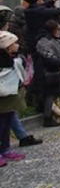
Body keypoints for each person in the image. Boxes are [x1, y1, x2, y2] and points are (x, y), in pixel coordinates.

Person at [36, 20, 60, 127]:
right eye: (58, 29)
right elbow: (49, 58)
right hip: (47, 71)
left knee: (59, 91)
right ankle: (47, 118)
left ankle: (53, 114)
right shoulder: (43, 42)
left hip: (56, 70)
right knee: (49, 95)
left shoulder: (56, 40)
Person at [0, 31, 26, 165]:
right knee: (2, 124)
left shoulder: (12, 59)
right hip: (3, 96)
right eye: (14, 43)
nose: (17, 45)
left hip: (11, 95)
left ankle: (6, 148)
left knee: (7, 122)